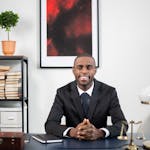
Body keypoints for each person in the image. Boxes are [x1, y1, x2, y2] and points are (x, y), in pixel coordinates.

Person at [45, 54, 128, 140]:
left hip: (100, 144)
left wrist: (100, 133)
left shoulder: (109, 92)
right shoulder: (63, 92)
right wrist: (72, 132)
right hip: (72, 145)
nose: (84, 71)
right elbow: (50, 124)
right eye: (80, 67)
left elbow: (123, 124)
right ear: (74, 70)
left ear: (95, 70)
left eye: (89, 67)